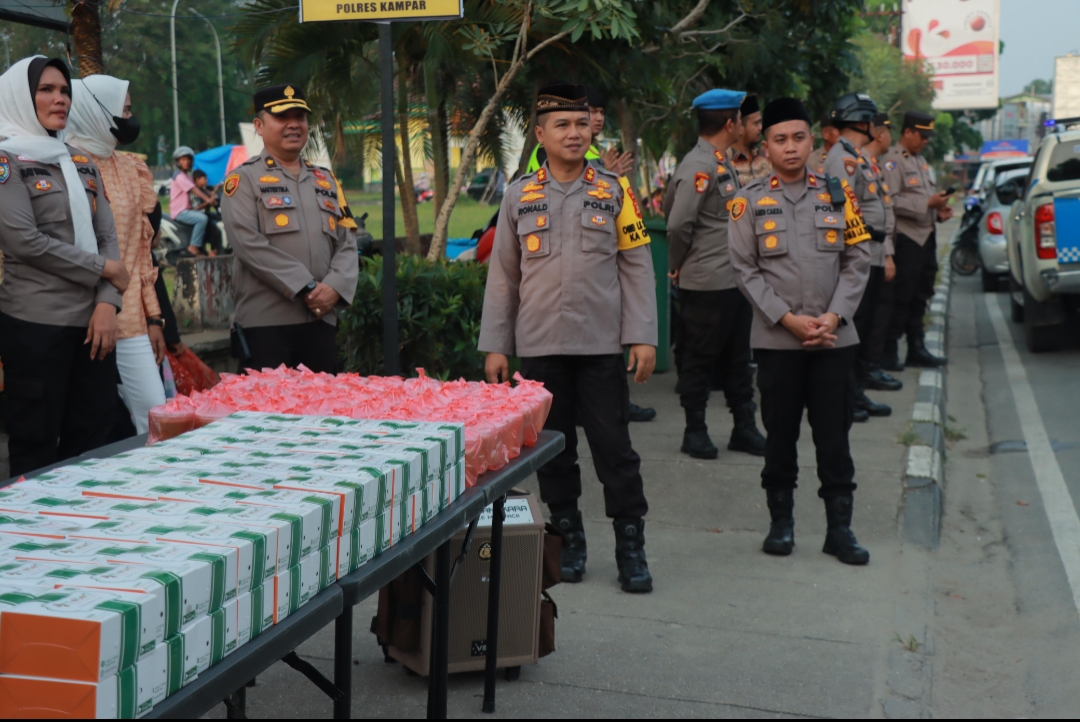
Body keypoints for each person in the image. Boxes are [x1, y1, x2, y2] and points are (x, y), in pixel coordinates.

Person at [480, 83, 658, 593]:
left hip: (600, 347)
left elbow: (636, 265)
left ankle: (631, 546)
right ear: (540, 134)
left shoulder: (614, 191)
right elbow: (503, 277)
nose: (574, 133)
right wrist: (497, 344)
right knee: (554, 451)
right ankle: (570, 540)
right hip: (538, 349)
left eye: (581, 123)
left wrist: (642, 336)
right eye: (562, 124)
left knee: (615, 449)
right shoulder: (519, 195)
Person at [728, 97, 872, 565]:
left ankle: (840, 530)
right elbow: (744, 270)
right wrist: (787, 319)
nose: (790, 147)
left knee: (834, 437)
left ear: (813, 140)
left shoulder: (837, 193)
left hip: (834, 340)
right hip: (777, 342)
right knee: (780, 435)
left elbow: (856, 261)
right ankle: (781, 524)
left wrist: (833, 317)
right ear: (764, 145)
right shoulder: (747, 201)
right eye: (779, 139)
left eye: (799, 137)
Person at [0, 56, 129, 476]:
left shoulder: (79, 159)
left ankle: (85, 536)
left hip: (95, 325)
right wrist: (103, 271)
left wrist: (108, 304)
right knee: (35, 444)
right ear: (21, 96)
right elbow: (25, 241)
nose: (60, 99)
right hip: (36, 325)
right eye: (47, 90)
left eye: (65, 90)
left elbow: (109, 236)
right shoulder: (7, 161)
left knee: (93, 443)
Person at [220, 84, 358, 374]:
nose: (294, 124)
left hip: (321, 322)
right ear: (259, 125)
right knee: (270, 417)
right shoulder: (243, 180)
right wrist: (306, 287)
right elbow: (248, 245)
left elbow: (347, 241)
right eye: (283, 117)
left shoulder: (327, 180)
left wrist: (334, 288)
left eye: (300, 117)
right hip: (266, 327)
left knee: (322, 414)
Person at [664, 88, 766, 459]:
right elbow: (677, 225)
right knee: (699, 360)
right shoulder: (698, 166)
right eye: (740, 118)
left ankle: (744, 427)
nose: (742, 123)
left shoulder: (720, 162)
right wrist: (676, 265)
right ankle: (695, 431)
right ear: (729, 123)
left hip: (733, 281)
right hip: (706, 283)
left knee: (739, 360)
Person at [64, 74, 167, 436]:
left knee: (155, 415)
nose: (129, 118)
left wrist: (155, 318)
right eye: (122, 110)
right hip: (80, 315)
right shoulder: (62, 163)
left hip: (132, 318)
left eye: (130, 110)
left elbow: (141, 252)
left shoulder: (131, 166)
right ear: (96, 112)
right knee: (91, 423)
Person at [823, 93, 894, 422]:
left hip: (868, 253)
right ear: (864, 123)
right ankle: (845, 399)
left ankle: (854, 394)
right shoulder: (842, 159)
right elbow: (841, 209)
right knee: (851, 329)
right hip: (852, 256)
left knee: (861, 328)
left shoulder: (856, 156)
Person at [880, 111, 950, 369]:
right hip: (906, 240)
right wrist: (926, 203)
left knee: (921, 295)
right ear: (907, 132)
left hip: (926, 237)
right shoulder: (892, 162)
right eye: (922, 136)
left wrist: (938, 209)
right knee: (901, 297)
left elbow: (923, 199)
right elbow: (891, 202)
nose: (925, 141)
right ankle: (889, 351)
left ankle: (916, 347)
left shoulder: (919, 161)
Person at [862, 113, 904, 391]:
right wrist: (887, 253)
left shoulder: (871, 165)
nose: (891, 137)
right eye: (888, 131)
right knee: (868, 317)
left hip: (877, 251)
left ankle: (868, 371)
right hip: (865, 254)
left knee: (873, 316)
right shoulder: (856, 163)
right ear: (879, 134)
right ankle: (865, 372)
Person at [526, 86, 633, 177]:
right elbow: (560, 186)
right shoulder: (549, 147)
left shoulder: (592, 151)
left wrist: (611, 177)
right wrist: (602, 171)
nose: (600, 118)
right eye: (593, 112)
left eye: (602, 112)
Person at [170, 146, 215, 257]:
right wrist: (207, 199)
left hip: (188, 210)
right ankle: (193, 247)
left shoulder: (187, 176)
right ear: (178, 162)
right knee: (202, 219)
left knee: (209, 216)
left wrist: (212, 194)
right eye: (183, 159)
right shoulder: (179, 176)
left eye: (188, 159)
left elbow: (199, 187)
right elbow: (194, 190)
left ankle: (205, 246)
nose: (186, 162)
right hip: (180, 211)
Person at [726, 94, 772, 186]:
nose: (761, 127)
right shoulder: (724, 162)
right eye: (756, 123)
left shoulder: (766, 157)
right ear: (740, 128)